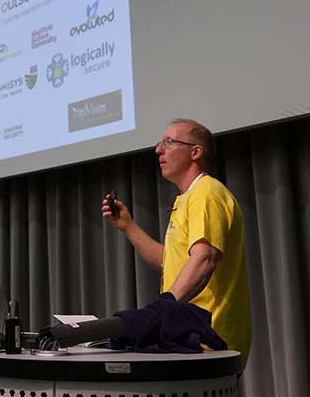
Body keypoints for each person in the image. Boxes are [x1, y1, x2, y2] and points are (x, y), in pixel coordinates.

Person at [103, 118, 251, 363]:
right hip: (189, 336)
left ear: (195, 152)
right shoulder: (187, 198)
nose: (158, 150)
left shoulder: (206, 193)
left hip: (208, 338)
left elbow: (204, 259)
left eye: (169, 142)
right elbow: (169, 262)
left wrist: (162, 310)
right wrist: (127, 226)